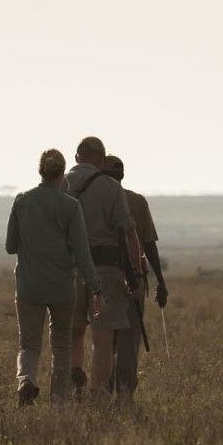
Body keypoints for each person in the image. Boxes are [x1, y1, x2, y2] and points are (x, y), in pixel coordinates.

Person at [5, 148, 103, 404]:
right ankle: (60, 400)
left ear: (40, 170)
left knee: (28, 344)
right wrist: (95, 284)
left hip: (28, 285)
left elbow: (10, 246)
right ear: (63, 173)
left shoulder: (21, 200)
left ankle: (26, 379)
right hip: (61, 285)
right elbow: (82, 253)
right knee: (61, 343)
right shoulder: (71, 206)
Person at [65, 136, 142, 402]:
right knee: (103, 337)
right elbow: (128, 232)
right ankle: (97, 396)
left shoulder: (59, 185)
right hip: (105, 270)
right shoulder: (110, 186)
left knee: (72, 331)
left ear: (76, 157)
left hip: (68, 270)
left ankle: (74, 377)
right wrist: (137, 276)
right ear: (101, 159)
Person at [105, 155, 166, 385]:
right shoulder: (136, 201)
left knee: (104, 340)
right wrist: (160, 280)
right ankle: (125, 393)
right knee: (129, 343)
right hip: (134, 281)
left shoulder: (91, 202)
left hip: (102, 279)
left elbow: (148, 244)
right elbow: (149, 245)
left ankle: (104, 389)